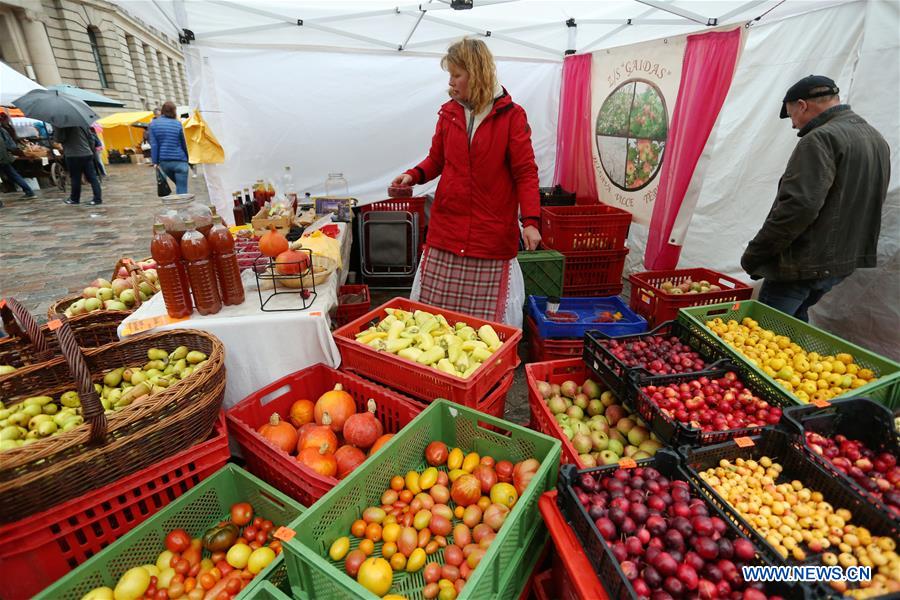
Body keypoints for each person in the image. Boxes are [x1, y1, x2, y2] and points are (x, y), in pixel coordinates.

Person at [391, 38, 541, 326]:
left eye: (456, 75)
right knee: (433, 320)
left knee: (485, 327)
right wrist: (413, 174)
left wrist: (531, 221)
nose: (452, 82)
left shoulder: (512, 116)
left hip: (491, 235)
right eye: (450, 75)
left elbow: (525, 172)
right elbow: (436, 160)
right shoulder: (448, 113)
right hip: (447, 230)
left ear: (476, 72)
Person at [741, 75, 890, 322]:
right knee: (794, 326)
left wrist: (756, 254)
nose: (793, 125)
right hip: (841, 261)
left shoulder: (820, 138)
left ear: (802, 105)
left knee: (763, 335)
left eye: (791, 116)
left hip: (804, 263)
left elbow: (798, 208)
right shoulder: (875, 138)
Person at [55, 124, 102, 205]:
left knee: (75, 178)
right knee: (92, 177)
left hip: (72, 155)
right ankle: (97, 199)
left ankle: (74, 199)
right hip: (87, 153)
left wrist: (56, 130)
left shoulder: (62, 125)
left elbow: (59, 139)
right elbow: (91, 138)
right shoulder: (81, 124)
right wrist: (90, 150)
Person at [149, 101, 190, 194]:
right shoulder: (177, 124)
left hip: (165, 162)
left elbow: (154, 145)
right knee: (182, 187)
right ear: (174, 111)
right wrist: (188, 158)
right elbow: (184, 143)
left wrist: (155, 161)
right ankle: (182, 207)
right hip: (180, 160)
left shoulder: (153, 124)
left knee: (179, 185)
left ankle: (178, 204)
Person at [0, 123, 35, 200]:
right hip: (4, 156)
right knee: (12, 174)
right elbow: (9, 143)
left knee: (12, 173)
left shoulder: (2, 130)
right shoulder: (2, 129)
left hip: (2, 157)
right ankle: (29, 191)